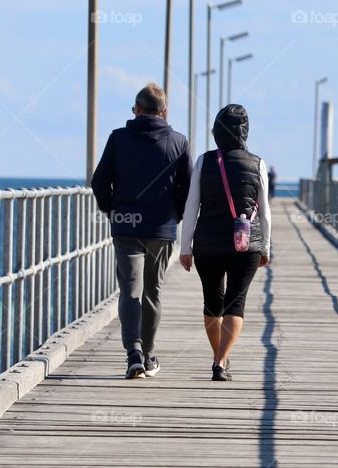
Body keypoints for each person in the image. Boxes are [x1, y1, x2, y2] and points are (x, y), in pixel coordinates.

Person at [92, 83, 193, 379]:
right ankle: (148, 355)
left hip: (126, 227)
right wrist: (172, 215)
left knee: (130, 291)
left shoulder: (118, 139)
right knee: (152, 292)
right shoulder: (179, 142)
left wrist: (112, 210)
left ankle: (133, 352)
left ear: (137, 110)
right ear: (164, 112)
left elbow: (100, 181)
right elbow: (187, 189)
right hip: (161, 229)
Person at [179, 104, 272, 381]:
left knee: (212, 303)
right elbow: (264, 210)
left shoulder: (204, 162)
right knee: (236, 303)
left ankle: (219, 357)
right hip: (247, 243)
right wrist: (266, 247)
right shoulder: (258, 164)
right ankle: (221, 361)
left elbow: (191, 207)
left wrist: (185, 248)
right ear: (245, 132)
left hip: (207, 245)